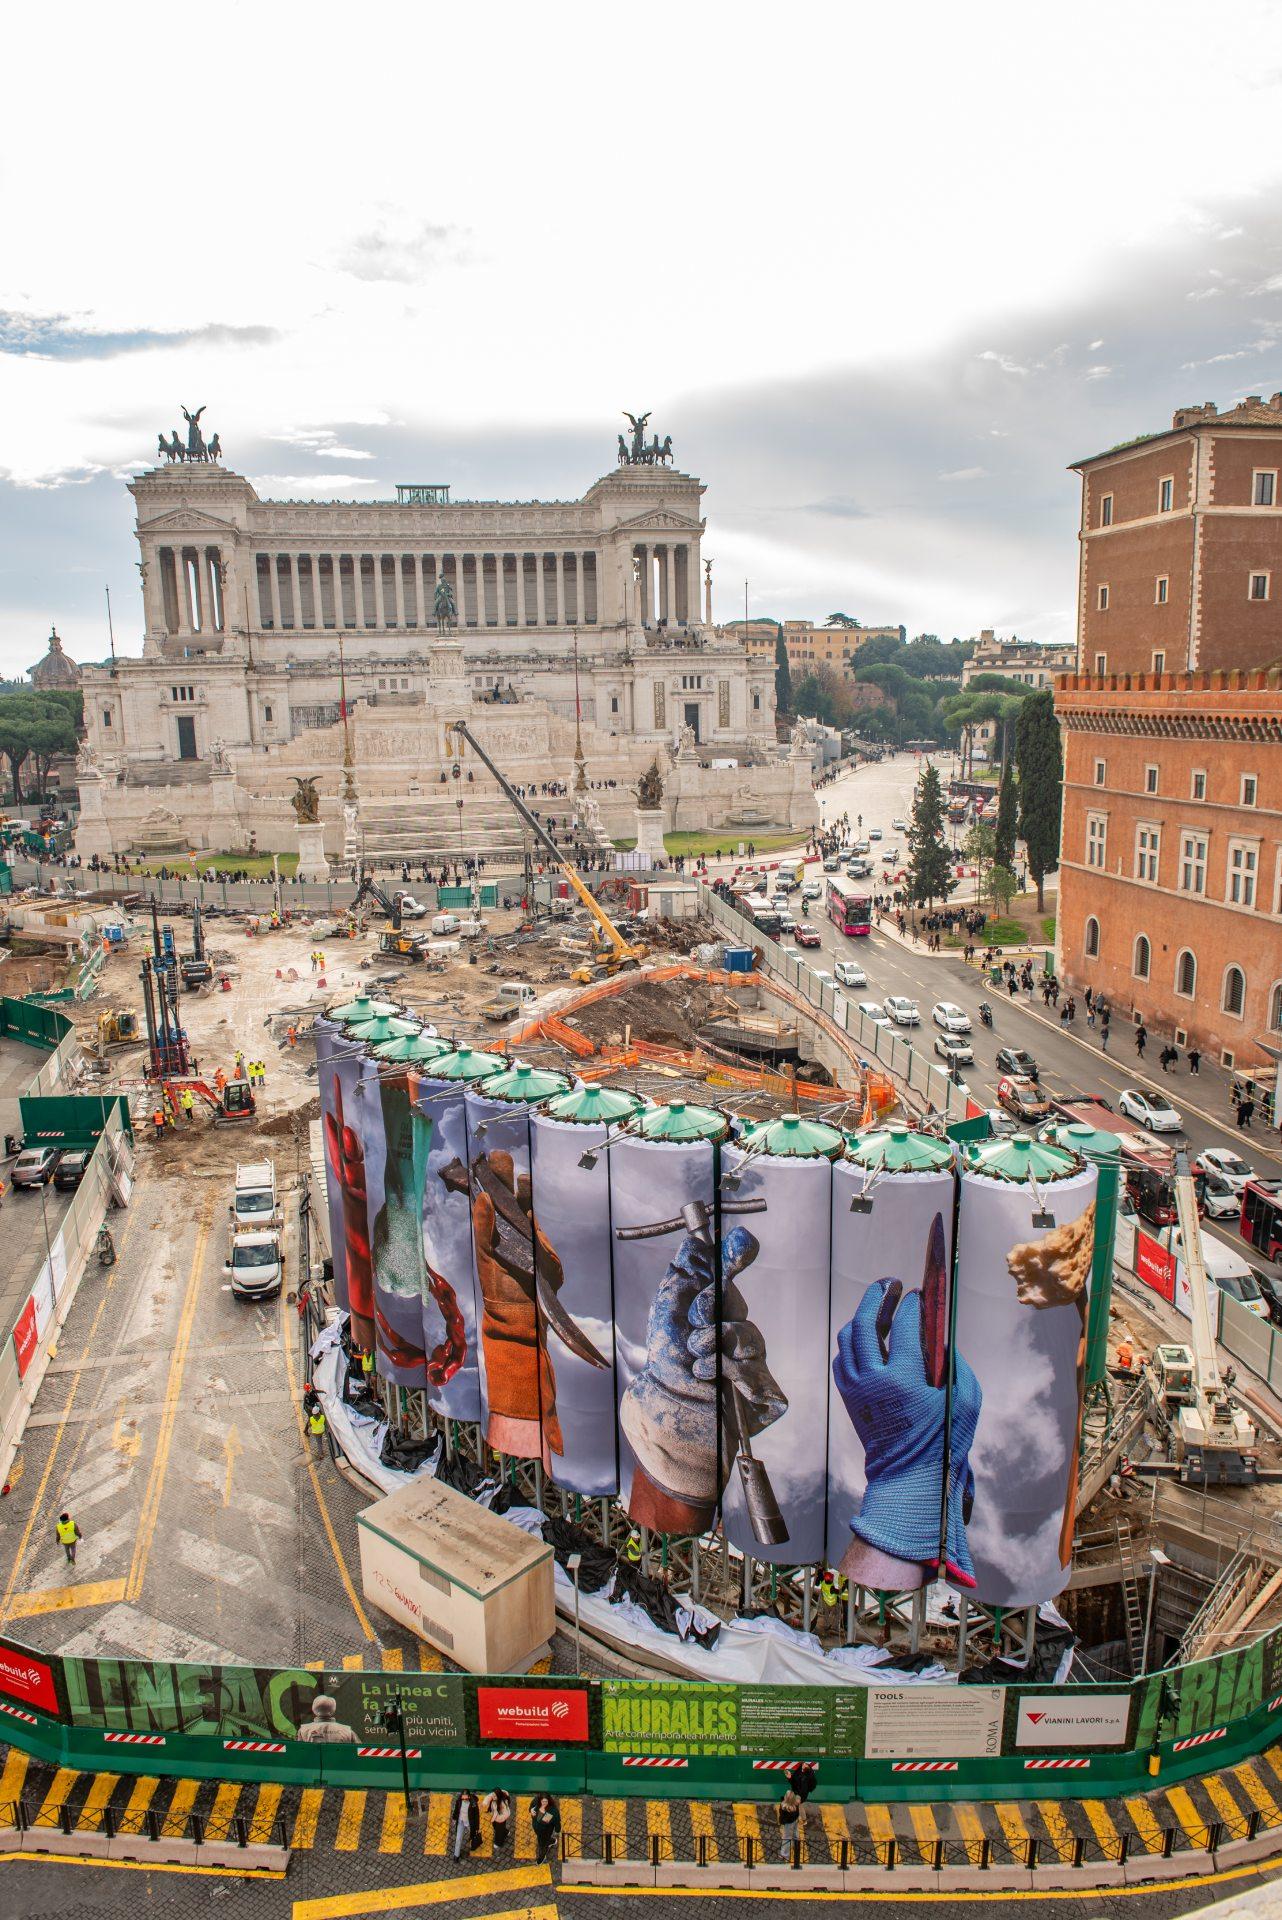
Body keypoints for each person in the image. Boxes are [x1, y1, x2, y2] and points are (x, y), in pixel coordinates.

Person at [450, 1788, 480, 1861]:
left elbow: (476, 1815)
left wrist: (477, 1827)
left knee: (473, 1835)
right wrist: (454, 1817)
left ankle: (474, 1844)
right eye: (463, 1797)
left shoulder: (473, 1804)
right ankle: (456, 1855)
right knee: (458, 1839)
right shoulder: (459, 1801)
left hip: (470, 1823)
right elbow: (456, 1810)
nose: (464, 1798)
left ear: (469, 1796)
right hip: (461, 1822)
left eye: (465, 1797)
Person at [531, 1793, 561, 1865]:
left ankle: (542, 1857)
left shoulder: (552, 1811)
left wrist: (557, 1830)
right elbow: (530, 1808)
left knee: (542, 1845)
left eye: (546, 1801)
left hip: (546, 1832)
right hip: (537, 1830)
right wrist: (531, 1811)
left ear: (549, 1801)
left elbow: (557, 1821)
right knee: (545, 1840)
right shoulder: (536, 1802)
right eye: (542, 1801)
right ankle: (552, 1841)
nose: (544, 1803)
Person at [776, 1786, 803, 1860]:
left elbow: (782, 1816)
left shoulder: (784, 1807)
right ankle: (796, 1847)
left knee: (786, 1837)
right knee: (795, 1834)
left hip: (788, 1823)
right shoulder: (795, 1804)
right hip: (795, 1820)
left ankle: (785, 1855)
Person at [484, 1786, 512, 1851]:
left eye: (495, 1796)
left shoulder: (503, 1804)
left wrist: (499, 1819)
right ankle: (506, 1832)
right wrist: (485, 1803)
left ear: (499, 1796)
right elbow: (489, 1796)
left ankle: (499, 1843)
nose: (493, 1797)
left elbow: (507, 1813)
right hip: (495, 1817)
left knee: (498, 1832)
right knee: (496, 1827)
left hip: (500, 1819)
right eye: (493, 1795)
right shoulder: (494, 1797)